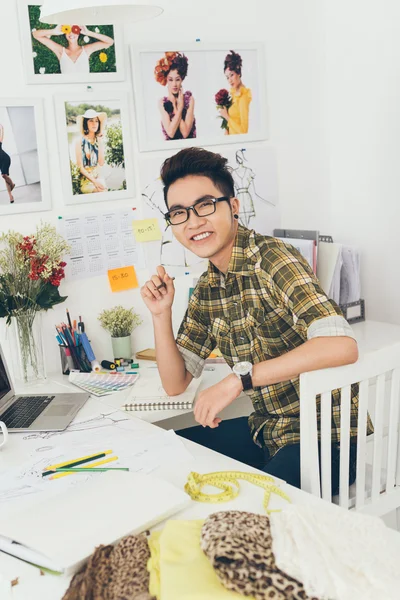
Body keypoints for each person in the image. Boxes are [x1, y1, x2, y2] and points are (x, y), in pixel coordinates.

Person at [140, 147, 371, 492]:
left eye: (205, 205)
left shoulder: (272, 258)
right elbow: (175, 383)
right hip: (268, 431)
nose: (193, 221)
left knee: (249, 502)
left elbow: (342, 346)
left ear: (232, 206)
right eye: (179, 213)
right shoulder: (207, 287)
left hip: (329, 436)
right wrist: (160, 315)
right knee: (165, 453)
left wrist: (239, 381)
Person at [32, 24, 114, 75]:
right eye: (68, 30)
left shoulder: (86, 50)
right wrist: (54, 31)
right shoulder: (61, 51)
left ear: (79, 32)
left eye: (74, 30)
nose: (71, 34)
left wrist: (88, 32)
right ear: (64, 33)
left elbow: (110, 42)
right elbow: (35, 35)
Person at [154, 52, 196, 141]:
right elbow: (170, 132)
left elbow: (185, 133)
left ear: (182, 79)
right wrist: (175, 105)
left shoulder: (189, 100)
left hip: (190, 150)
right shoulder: (162, 103)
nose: (174, 84)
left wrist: (178, 108)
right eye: (170, 80)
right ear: (166, 80)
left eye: (177, 79)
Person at [218, 50, 252, 135]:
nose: (230, 80)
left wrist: (226, 116)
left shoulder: (243, 96)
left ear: (238, 73)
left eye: (232, 75)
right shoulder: (234, 93)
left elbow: (244, 131)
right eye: (227, 77)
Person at [75, 109, 107, 194]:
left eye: (96, 121)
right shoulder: (79, 141)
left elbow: (101, 163)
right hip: (86, 181)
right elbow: (80, 168)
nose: (94, 124)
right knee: (100, 192)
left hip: (98, 177)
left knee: (104, 191)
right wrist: (94, 182)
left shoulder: (98, 141)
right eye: (91, 121)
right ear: (86, 123)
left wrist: (100, 141)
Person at [0, 124, 15, 204]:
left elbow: (2, 134)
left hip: (5, 159)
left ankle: (12, 184)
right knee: (5, 177)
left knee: (4, 175)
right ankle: (10, 197)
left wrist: (2, 128)